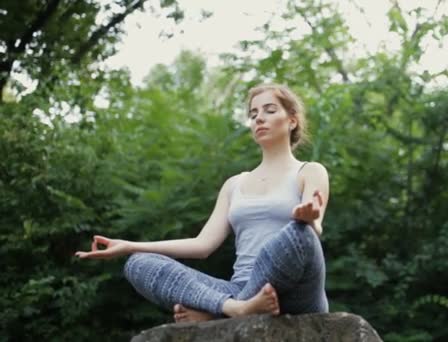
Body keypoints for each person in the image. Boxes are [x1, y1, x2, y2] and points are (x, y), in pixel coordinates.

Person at [74, 83, 330, 323]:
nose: (259, 118)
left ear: (292, 120)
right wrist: (127, 246)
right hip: (240, 289)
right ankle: (234, 308)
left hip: (297, 291)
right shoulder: (234, 185)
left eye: (269, 110)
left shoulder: (310, 171)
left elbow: (312, 230)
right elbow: (202, 245)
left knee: (299, 233)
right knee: (139, 263)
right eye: (253, 114)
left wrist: (308, 219)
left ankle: (217, 311)